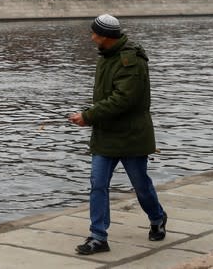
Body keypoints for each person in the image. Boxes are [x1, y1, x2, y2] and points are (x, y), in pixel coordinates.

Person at [68, 14, 167, 256]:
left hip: (131, 135)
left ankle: (157, 217)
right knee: (98, 185)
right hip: (106, 134)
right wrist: (91, 116)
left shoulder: (129, 61)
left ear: (107, 37)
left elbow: (123, 100)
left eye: (95, 34)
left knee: (140, 184)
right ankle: (98, 237)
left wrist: (88, 116)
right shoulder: (107, 55)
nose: (92, 38)